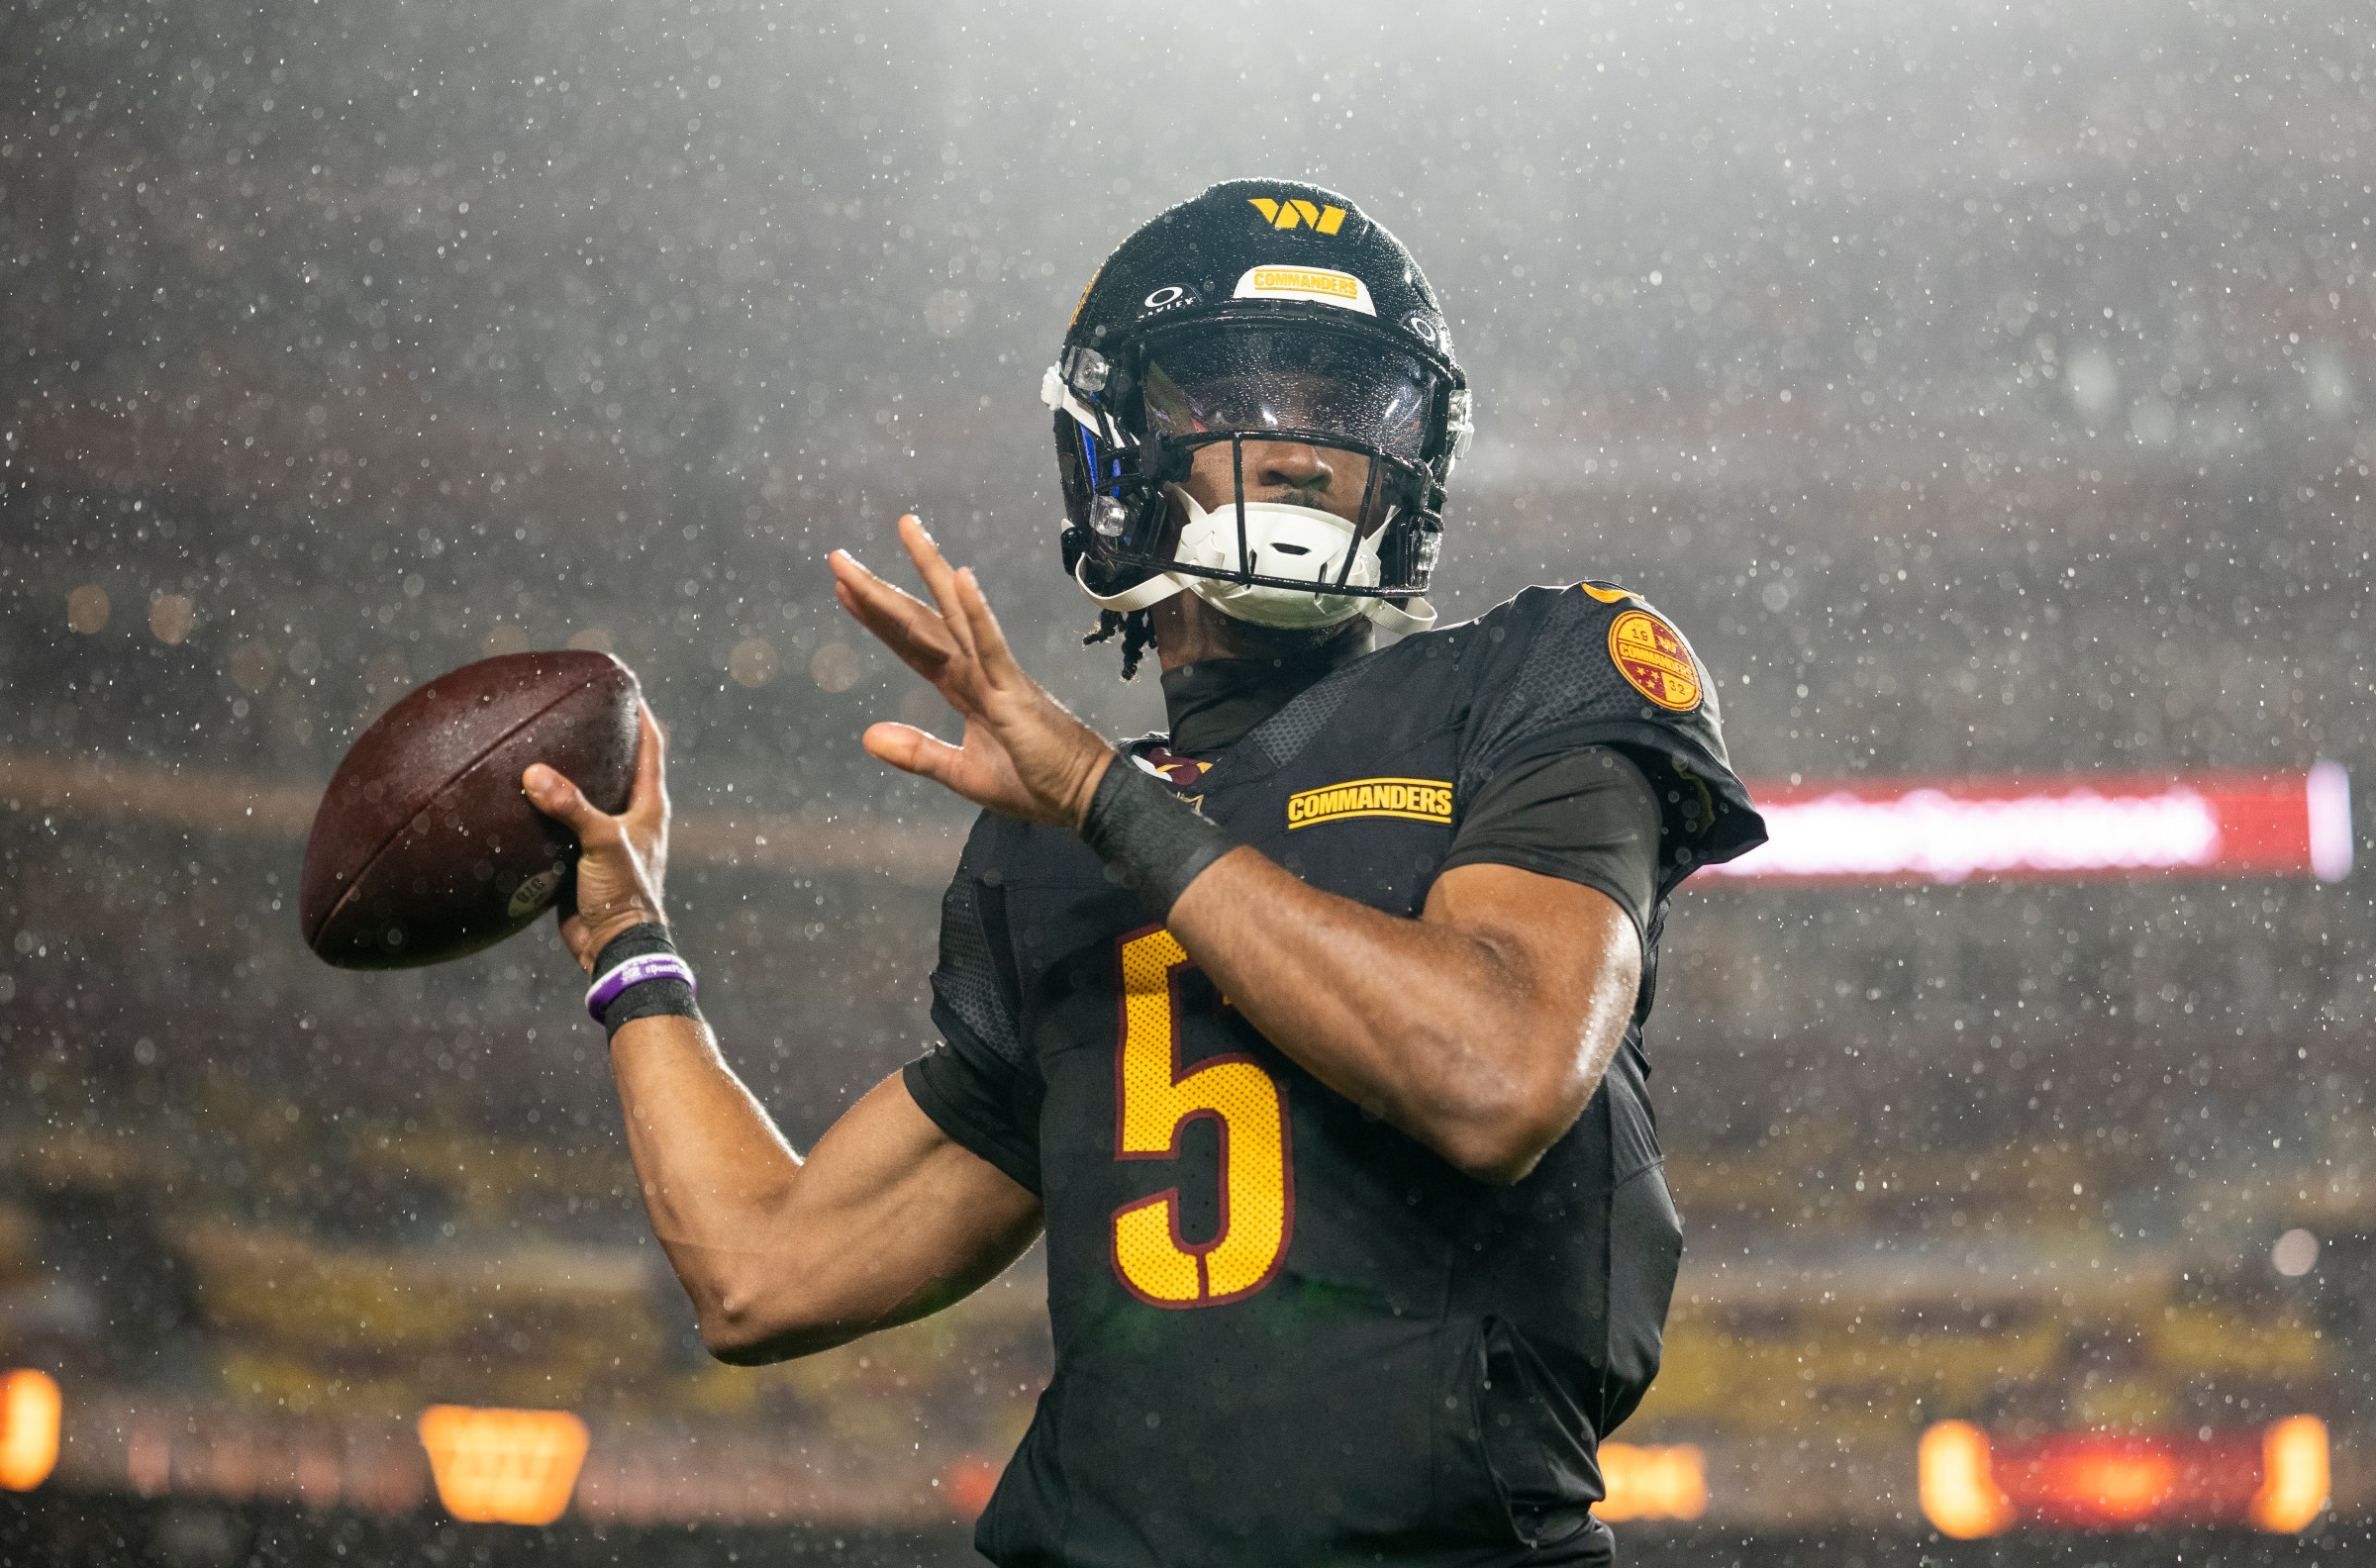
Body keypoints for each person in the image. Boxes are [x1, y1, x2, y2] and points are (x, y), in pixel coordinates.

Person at [524, 179, 1766, 1567]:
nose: (1302, 448)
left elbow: (1498, 1075)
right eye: (1239, 392)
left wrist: (1103, 799)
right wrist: (629, 941)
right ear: (1112, 447)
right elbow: (764, 1276)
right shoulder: (1050, 842)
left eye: (1348, 405)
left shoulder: (1538, 672)